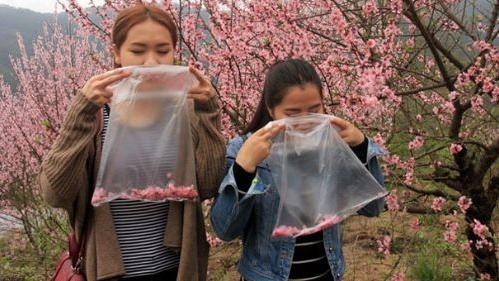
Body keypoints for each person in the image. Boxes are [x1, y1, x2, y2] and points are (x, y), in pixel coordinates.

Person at [39, 4, 225, 281]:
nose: (151, 62)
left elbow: (208, 185)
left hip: (176, 268)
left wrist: (210, 112)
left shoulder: (185, 113)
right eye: (138, 51)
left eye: (163, 51)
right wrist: (80, 112)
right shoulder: (97, 116)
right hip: (109, 270)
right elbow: (55, 194)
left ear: (175, 52)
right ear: (117, 53)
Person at [210, 59, 385, 281]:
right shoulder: (244, 148)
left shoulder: (331, 144)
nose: (305, 122)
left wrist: (360, 148)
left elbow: (373, 207)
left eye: (314, 110)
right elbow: (225, 230)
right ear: (271, 109)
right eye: (292, 114)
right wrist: (244, 169)